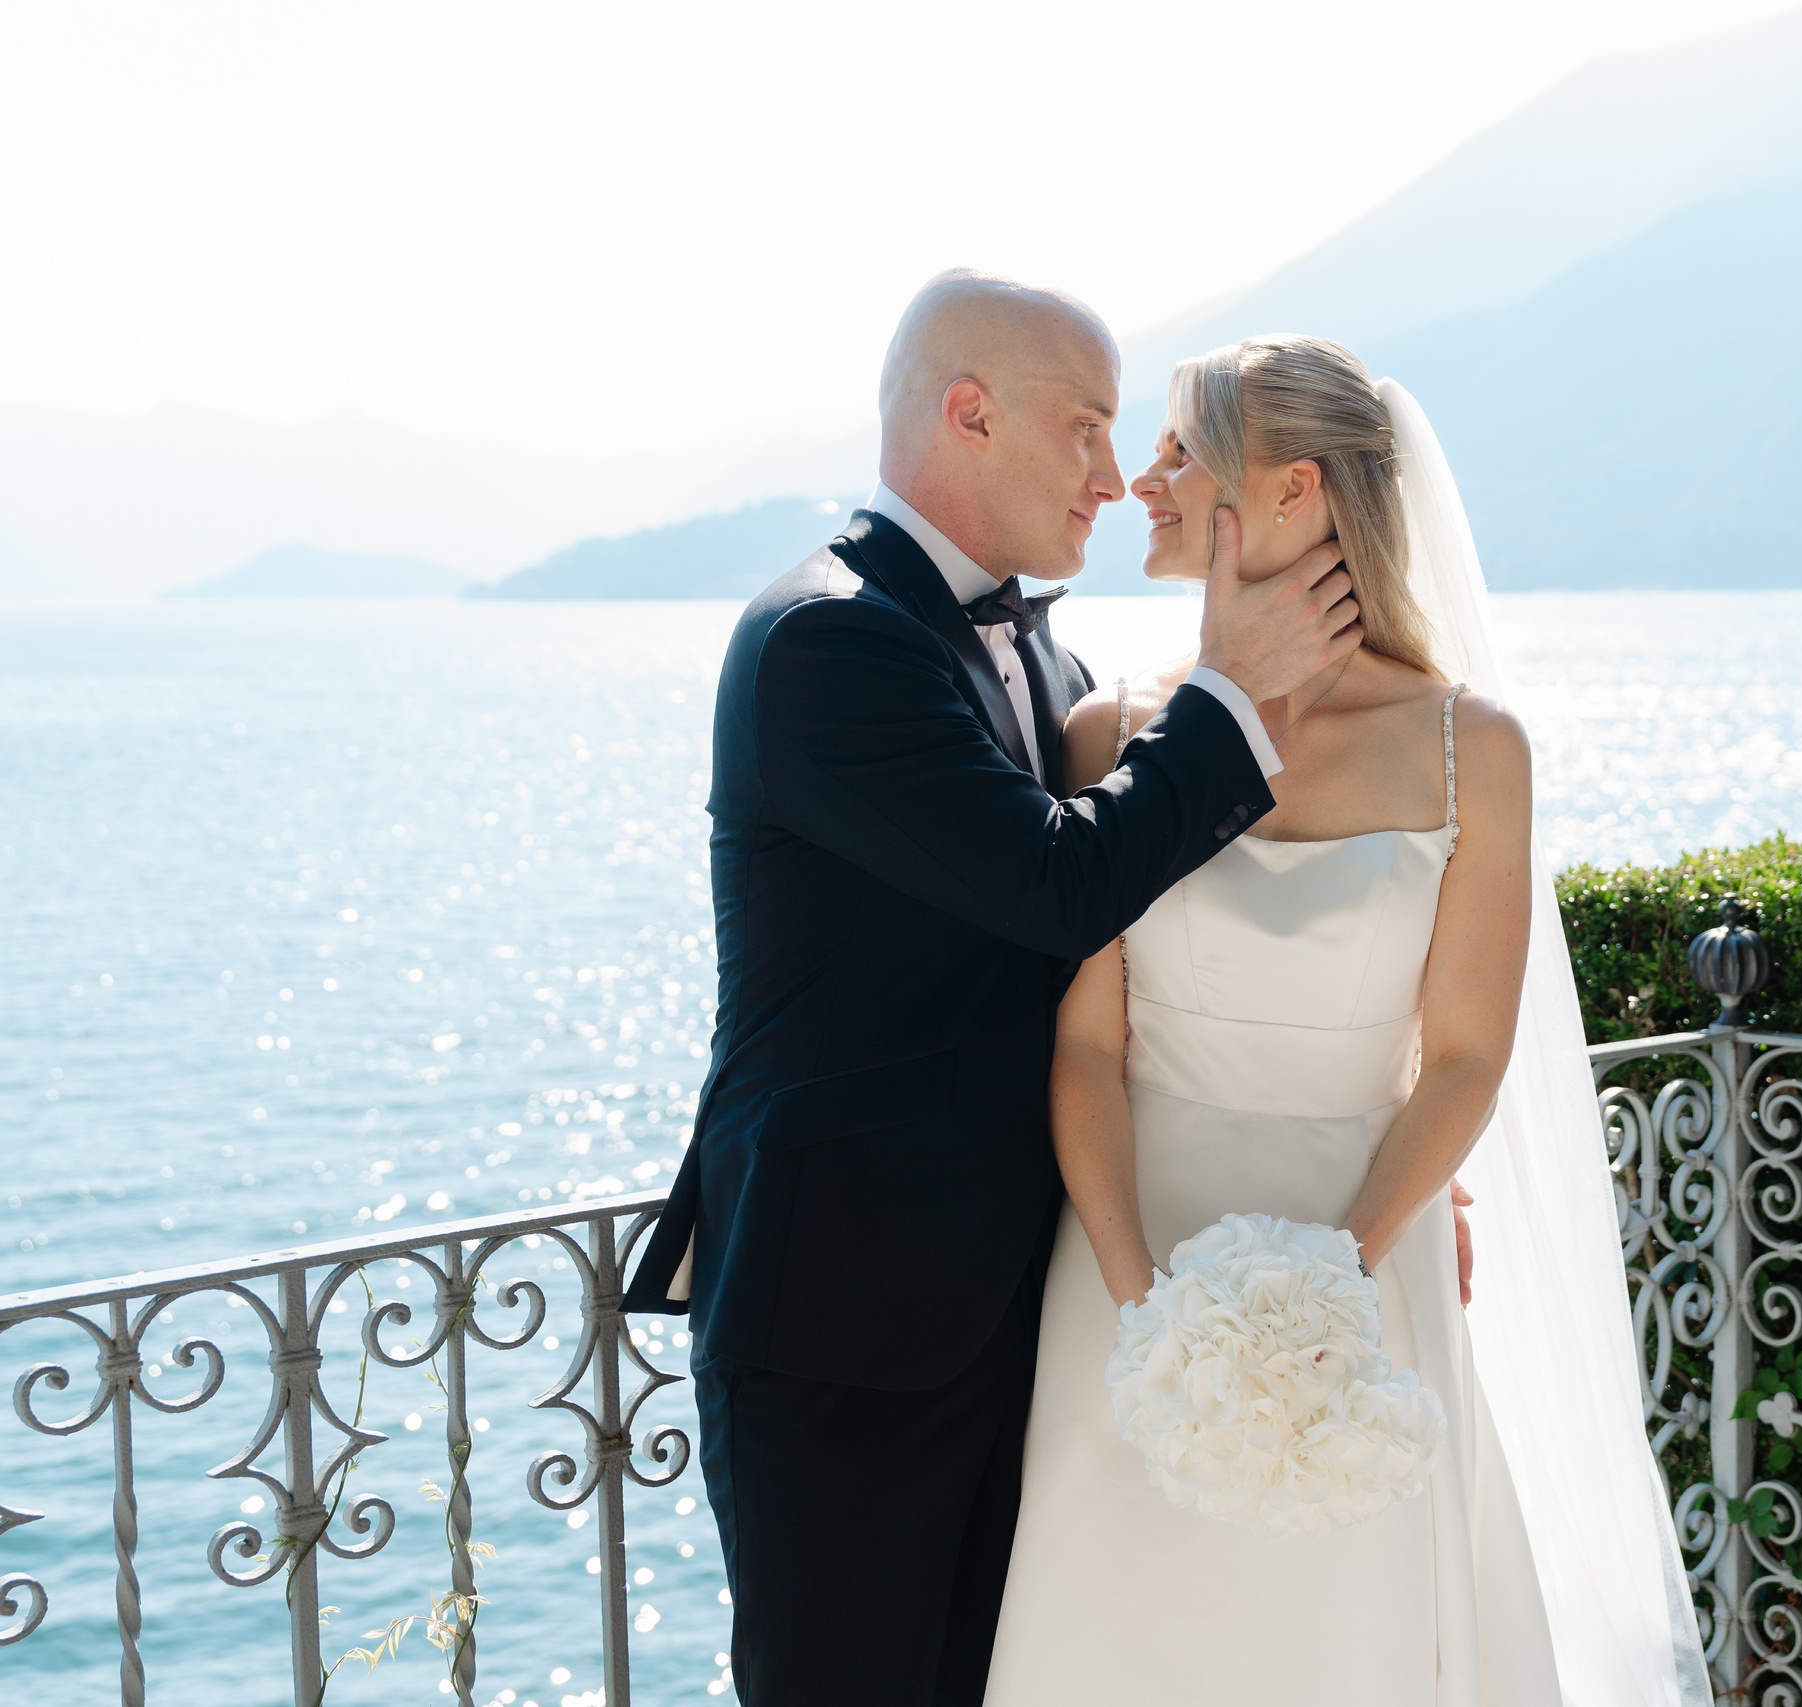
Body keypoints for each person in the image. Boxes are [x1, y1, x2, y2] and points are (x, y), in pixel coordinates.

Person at [621, 272, 1364, 1706]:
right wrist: (1231, 692)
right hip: (846, 1326)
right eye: (1086, 428)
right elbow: (1060, 885)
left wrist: (1349, 1130)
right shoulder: (824, 640)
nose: (1113, 476)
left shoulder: (1045, 654)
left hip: (1025, 1309)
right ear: (970, 414)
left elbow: (1117, 977)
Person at [984, 337, 1709, 1705]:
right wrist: (1142, 1304)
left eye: (1183, 450)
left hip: (1368, 1270)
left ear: (1293, 489)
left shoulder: (1471, 748)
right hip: (1128, 1255)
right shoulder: (1107, 734)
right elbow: (1085, 1046)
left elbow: (1467, 1057)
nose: (1143, 478)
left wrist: (1338, 1273)